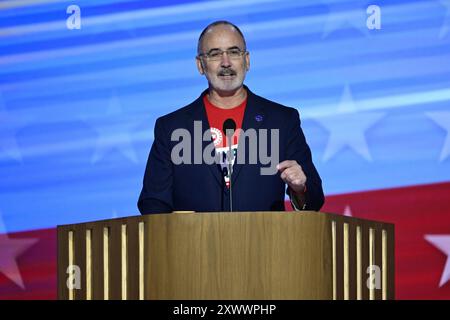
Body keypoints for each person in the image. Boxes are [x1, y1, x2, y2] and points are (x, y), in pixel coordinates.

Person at [138, 21, 324, 214]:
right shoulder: (171, 128)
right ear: (200, 65)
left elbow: (314, 199)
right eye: (215, 54)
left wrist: (300, 189)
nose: (226, 62)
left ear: (247, 60)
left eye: (234, 52)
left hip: (266, 241)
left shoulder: (282, 120)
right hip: (194, 243)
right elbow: (153, 203)